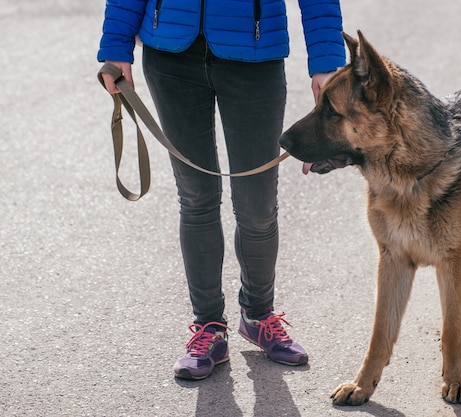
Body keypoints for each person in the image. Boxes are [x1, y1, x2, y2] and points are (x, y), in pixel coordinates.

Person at [98, 0, 345, 380]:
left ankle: (258, 316)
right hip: (170, 57)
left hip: (255, 56)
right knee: (196, 198)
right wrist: (116, 47)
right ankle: (208, 328)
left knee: (257, 205)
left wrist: (327, 63)